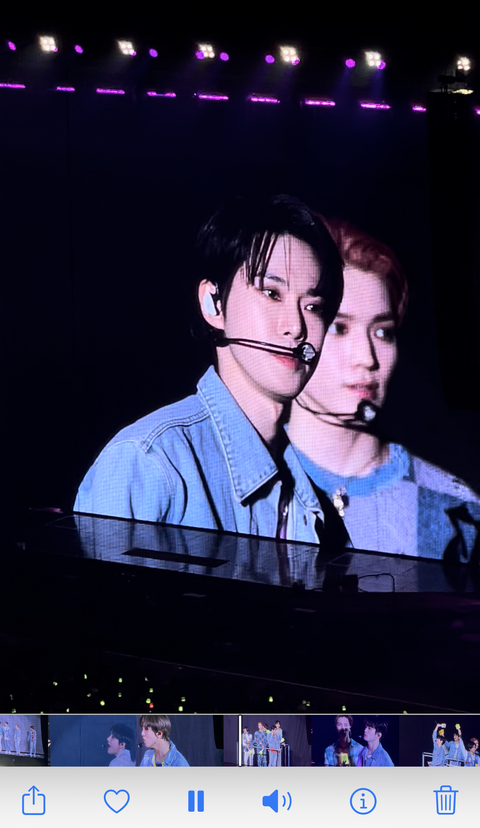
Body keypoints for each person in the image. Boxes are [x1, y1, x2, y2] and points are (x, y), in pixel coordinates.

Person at [74, 195, 347, 551]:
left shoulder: (313, 501)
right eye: (271, 293)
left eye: (313, 306)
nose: (296, 327)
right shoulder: (149, 462)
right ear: (213, 304)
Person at [288, 218, 480, 560]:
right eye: (339, 328)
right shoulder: (238, 476)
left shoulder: (454, 508)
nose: (367, 358)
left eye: (382, 332)